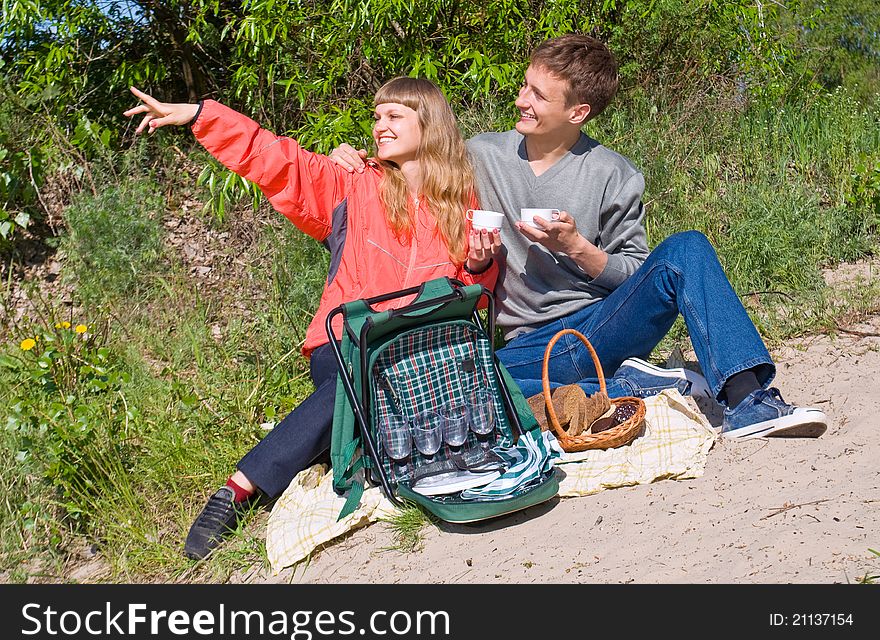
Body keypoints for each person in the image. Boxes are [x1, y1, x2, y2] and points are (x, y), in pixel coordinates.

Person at [330, 34, 827, 442]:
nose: (521, 101)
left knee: (688, 248)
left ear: (578, 112)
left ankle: (747, 401)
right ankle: (638, 383)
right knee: (463, 386)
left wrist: (576, 248)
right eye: (525, 86)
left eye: (538, 96)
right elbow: (420, 157)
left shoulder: (614, 174)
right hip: (528, 344)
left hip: (602, 323)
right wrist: (353, 161)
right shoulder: (481, 157)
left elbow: (637, 271)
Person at [124, 77, 503, 560]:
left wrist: (477, 267)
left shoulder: (461, 204)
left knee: (390, 396)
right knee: (362, 377)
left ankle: (349, 444)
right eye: (376, 116)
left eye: (394, 117)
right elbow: (276, 159)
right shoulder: (352, 183)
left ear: (429, 124)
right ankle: (239, 490)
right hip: (345, 346)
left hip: (422, 358)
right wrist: (201, 115)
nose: (379, 127)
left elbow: (474, 301)